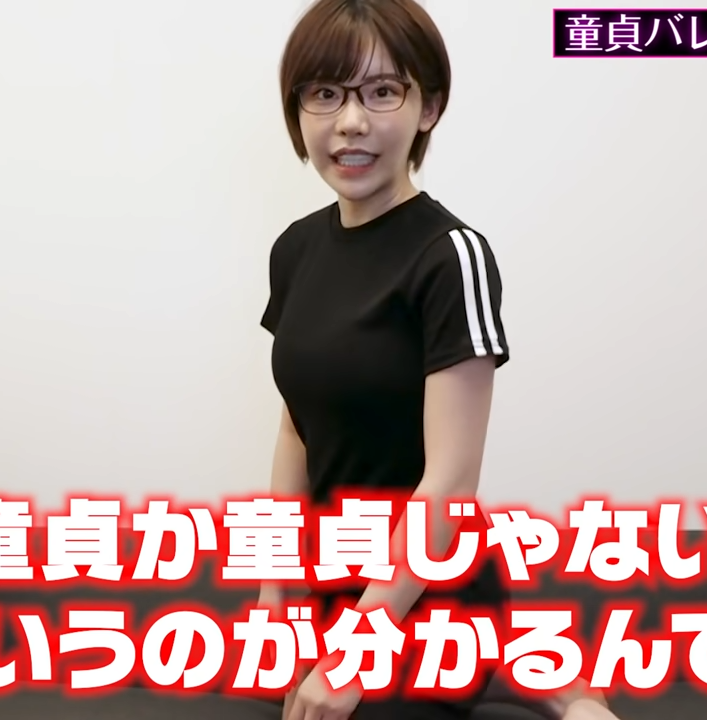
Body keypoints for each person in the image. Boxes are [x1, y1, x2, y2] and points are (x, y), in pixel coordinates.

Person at [257, 1, 622, 718]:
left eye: (381, 92)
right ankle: (544, 669)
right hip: (336, 584)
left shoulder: (451, 257)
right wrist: (274, 593)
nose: (350, 122)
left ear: (428, 107)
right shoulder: (295, 249)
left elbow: (451, 483)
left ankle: (542, 675)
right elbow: (295, 427)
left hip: (426, 594)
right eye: (325, 93)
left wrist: (356, 653)